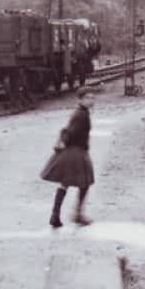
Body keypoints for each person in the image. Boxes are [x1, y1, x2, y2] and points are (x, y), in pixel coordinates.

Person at [40, 88, 96, 227]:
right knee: (85, 183)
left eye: (92, 98)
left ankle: (55, 215)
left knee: (66, 183)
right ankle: (77, 215)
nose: (91, 100)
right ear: (80, 99)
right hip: (76, 152)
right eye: (88, 98)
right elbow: (70, 131)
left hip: (73, 150)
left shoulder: (81, 112)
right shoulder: (80, 115)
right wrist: (64, 142)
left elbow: (68, 130)